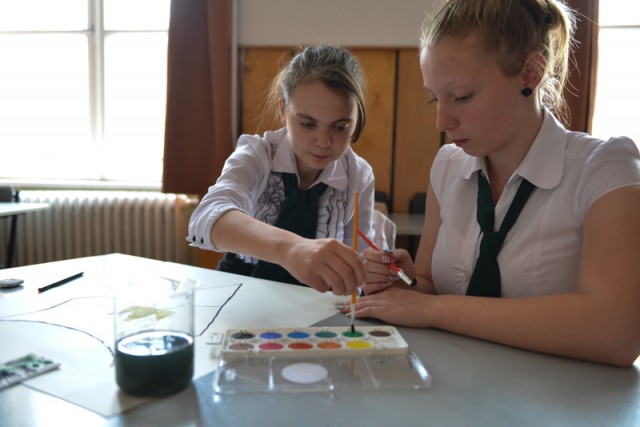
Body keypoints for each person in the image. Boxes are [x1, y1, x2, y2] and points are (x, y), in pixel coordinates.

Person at [348, 0, 640, 367]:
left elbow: (618, 331)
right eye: (434, 99)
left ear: (530, 74)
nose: (442, 121)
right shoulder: (448, 166)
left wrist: (431, 310)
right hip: (455, 384)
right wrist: (404, 283)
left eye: (461, 97)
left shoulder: (606, 168)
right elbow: (429, 286)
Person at [188, 44, 376, 296]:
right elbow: (206, 217)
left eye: (340, 127)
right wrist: (291, 248)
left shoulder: (359, 175)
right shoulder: (257, 154)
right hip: (241, 290)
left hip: (317, 300)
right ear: (282, 111)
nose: (323, 141)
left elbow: (361, 256)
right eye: (308, 124)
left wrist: (375, 270)